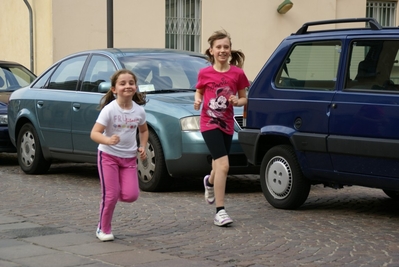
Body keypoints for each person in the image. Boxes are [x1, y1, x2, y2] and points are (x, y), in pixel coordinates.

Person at [194, 30, 250, 227]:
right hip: (208, 123)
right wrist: (198, 99)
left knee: (218, 166)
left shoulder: (238, 73)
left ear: (230, 49)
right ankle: (220, 211)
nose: (223, 50)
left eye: (226, 47)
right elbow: (199, 91)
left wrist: (238, 100)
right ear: (212, 50)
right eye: (218, 47)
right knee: (224, 165)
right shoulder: (205, 73)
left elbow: (244, 98)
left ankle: (209, 182)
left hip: (227, 124)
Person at [90, 69, 148, 241]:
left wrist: (143, 146)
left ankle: (113, 193)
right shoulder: (109, 110)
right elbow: (94, 133)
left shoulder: (139, 111)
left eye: (131, 83)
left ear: (136, 87)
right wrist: (107, 140)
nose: (127, 86)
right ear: (114, 89)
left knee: (131, 195)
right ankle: (103, 229)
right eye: (122, 83)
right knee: (111, 195)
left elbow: (144, 131)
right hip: (108, 156)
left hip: (129, 158)